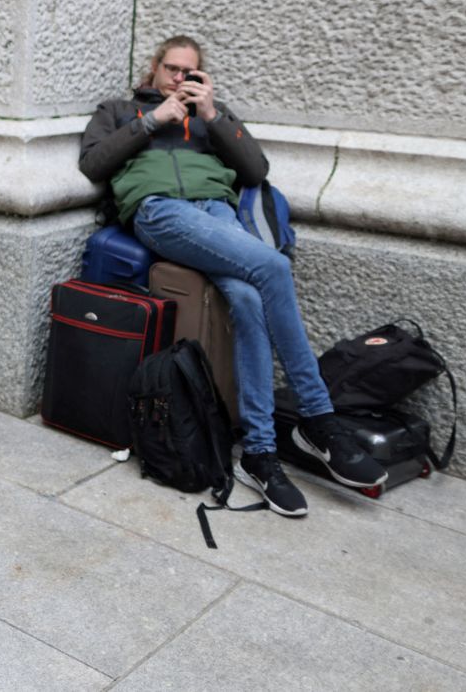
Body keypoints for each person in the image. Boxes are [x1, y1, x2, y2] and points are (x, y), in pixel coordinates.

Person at [78, 35, 385, 517]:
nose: (180, 80)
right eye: (173, 70)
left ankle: (260, 453)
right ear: (153, 70)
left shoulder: (211, 118)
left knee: (247, 298)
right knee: (274, 265)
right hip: (160, 212)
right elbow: (93, 163)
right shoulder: (118, 110)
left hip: (216, 215)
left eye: (190, 73)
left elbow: (256, 169)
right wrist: (152, 121)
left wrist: (213, 116)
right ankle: (319, 417)